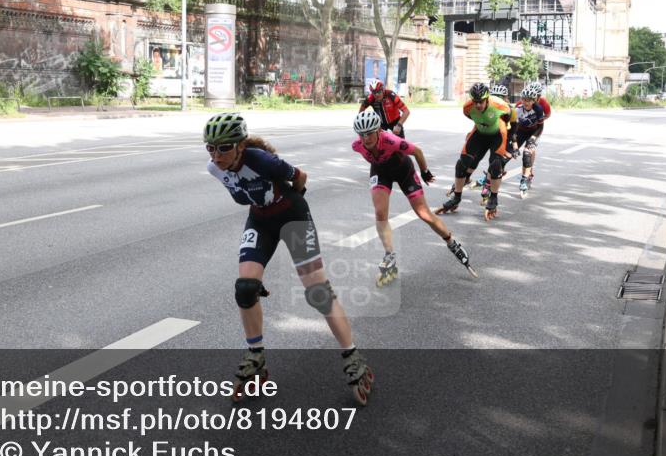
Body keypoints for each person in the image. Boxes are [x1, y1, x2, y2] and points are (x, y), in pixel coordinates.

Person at [203, 113, 375, 405]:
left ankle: (352, 356)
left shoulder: (262, 160)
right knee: (245, 288)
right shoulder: (214, 169)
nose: (216, 155)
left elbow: (301, 178)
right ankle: (256, 356)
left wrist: (292, 206)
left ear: (240, 146)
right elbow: (249, 197)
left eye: (223, 148)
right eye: (210, 147)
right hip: (260, 221)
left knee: (318, 292)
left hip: (292, 217)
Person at [351, 111, 476, 284]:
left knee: (424, 213)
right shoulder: (357, 146)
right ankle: (389, 256)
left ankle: (452, 242)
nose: (366, 139)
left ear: (378, 130)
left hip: (404, 171)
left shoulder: (391, 140)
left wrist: (425, 171)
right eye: (362, 135)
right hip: (380, 173)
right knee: (380, 213)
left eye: (370, 133)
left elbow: (417, 151)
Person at [435, 82, 515, 221]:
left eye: (481, 102)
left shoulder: (499, 105)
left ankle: (493, 199)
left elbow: (513, 118)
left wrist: (511, 141)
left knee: (495, 165)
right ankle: (456, 198)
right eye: (475, 102)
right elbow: (472, 117)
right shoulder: (467, 107)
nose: (478, 105)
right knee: (462, 164)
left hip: (497, 134)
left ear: (487, 98)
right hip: (480, 133)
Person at [512, 82, 551, 196]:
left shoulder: (543, 104)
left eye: (538, 96)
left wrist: (536, 120)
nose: (536, 98)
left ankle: (528, 175)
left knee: (528, 151)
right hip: (522, 129)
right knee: (513, 149)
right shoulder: (521, 104)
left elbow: (546, 116)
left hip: (536, 129)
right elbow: (514, 122)